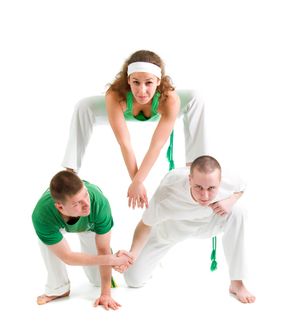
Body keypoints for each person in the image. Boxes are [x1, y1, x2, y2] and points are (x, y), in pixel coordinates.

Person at [62, 50, 207, 209]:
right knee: (84, 105)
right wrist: (136, 182)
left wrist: (138, 181)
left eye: (149, 83)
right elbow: (125, 143)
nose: (141, 90)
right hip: (124, 111)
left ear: (158, 81)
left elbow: (156, 145)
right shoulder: (115, 95)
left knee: (196, 96)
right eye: (136, 82)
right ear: (128, 80)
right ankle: (70, 171)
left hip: (159, 110)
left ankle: (196, 168)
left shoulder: (170, 99)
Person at [116, 155, 256, 304]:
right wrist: (132, 254)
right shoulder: (167, 192)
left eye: (211, 188)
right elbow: (145, 224)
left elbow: (242, 188)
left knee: (238, 212)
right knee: (133, 279)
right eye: (199, 187)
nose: (205, 195)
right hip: (170, 232)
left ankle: (237, 283)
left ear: (220, 182)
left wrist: (230, 201)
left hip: (208, 223)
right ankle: (154, 262)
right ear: (190, 180)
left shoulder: (229, 179)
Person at [32, 170, 133, 309]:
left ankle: (102, 283)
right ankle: (59, 289)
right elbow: (68, 257)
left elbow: (103, 249)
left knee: (98, 281)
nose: (86, 204)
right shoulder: (42, 215)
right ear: (60, 207)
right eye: (77, 203)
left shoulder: (98, 202)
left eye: (85, 194)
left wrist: (105, 294)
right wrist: (111, 259)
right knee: (46, 243)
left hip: (89, 225)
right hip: (56, 224)